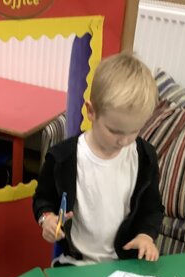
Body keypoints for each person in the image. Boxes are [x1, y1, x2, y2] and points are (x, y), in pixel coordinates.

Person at [33, 52, 163, 266]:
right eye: (115, 131)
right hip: (75, 264)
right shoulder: (63, 158)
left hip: (124, 264)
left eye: (134, 131)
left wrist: (145, 235)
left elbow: (152, 209)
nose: (124, 140)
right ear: (91, 111)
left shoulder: (144, 157)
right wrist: (47, 219)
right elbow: (43, 198)